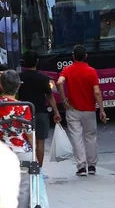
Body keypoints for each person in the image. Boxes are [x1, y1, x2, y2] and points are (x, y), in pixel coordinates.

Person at [56, 45, 107, 176]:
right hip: (89, 109)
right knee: (90, 137)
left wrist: (63, 99)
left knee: (76, 137)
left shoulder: (67, 70)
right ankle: (92, 166)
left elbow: (59, 82)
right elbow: (96, 92)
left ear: (73, 57)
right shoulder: (91, 71)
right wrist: (101, 109)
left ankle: (81, 166)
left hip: (73, 109)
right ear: (86, 56)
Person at [0, 70, 35, 208]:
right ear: (18, 86)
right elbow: (29, 133)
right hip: (22, 153)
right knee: (23, 190)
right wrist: (34, 152)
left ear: (1, 86)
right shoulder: (25, 107)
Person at [18, 51, 62, 167]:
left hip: (23, 114)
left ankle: (28, 166)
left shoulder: (19, 78)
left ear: (24, 62)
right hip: (41, 113)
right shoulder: (43, 78)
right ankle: (39, 169)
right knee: (40, 141)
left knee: (26, 141)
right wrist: (56, 112)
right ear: (37, 62)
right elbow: (50, 96)